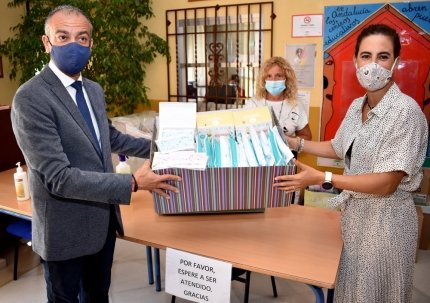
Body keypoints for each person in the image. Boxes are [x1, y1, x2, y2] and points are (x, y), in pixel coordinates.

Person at [11, 5, 181, 302]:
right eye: (62, 36)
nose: (73, 45)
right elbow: (59, 179)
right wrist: (133, 184)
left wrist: (161, 148)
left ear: (91, 43)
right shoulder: (31, 98)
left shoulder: (93, 90)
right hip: (65, 231)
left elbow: (109, 137)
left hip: (102, 223)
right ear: (46, 42)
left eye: (82, 37)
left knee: (98, 294)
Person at [274, 24, 428, 302]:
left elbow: (386, 183)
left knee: (376, 294)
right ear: (356, 60)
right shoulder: (359, 105)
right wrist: (294, 143)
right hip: (354, 220)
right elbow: (338, 146)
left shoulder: (406, 112)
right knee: (351, 292)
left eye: (383, 56)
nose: (373, 64)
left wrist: (324, 179)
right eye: (366, 56)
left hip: (387, 227)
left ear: (396, 62)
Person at [242, 56, 312, 143]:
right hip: (258, 155)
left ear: (286, 79)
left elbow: (307, 136)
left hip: (288, 155)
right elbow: (242, 132)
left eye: (278, 76)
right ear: (263, 79)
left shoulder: (296, 104)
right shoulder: (253, 103)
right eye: (269, 76)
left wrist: (287, 140)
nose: (273, 80)